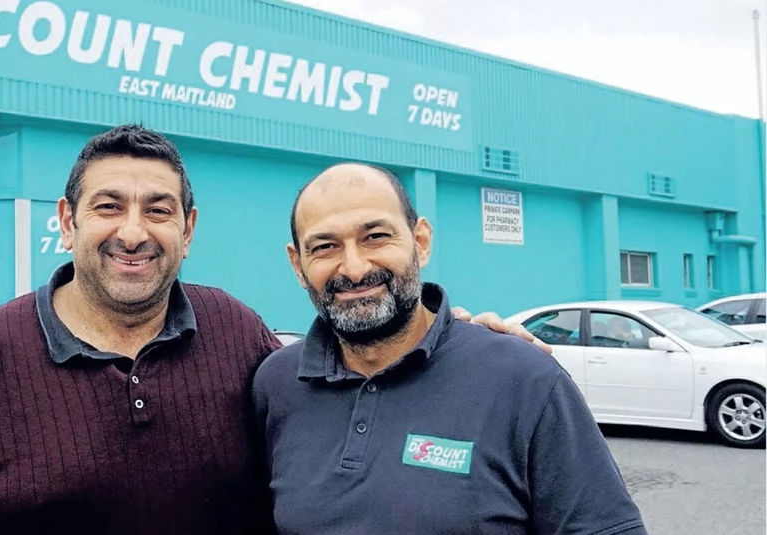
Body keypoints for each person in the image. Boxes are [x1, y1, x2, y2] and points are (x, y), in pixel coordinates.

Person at [0, 125, 541, 535]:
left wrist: (451, 339)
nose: (133, 232)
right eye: (109, 206)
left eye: (159, 209)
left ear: (189, 228)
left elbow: (341, 391)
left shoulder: (236, 333)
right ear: (67, 221)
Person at [253, 163, 646, 534]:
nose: (354, 269)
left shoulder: (526, 380)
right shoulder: (276, 385)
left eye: (376, 237)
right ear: (298, 265)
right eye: (325, 246)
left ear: (420, 242)